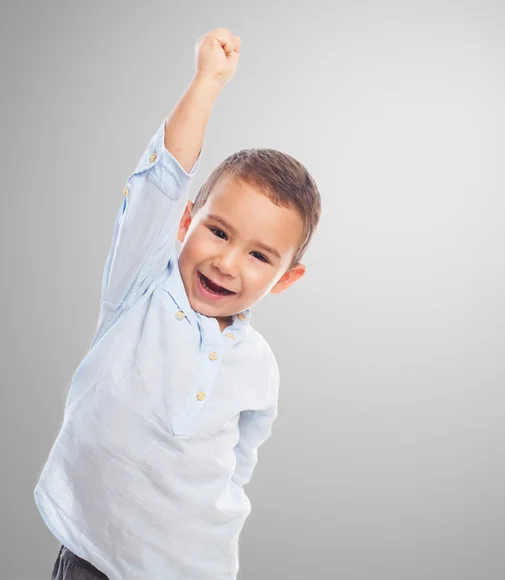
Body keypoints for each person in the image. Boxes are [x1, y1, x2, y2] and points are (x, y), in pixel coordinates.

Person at [34, 27, 322, 580]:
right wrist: (208, 81)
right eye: (218, 232)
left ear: (287, 279)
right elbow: (160, 181)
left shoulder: (258, 365)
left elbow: (238, 465)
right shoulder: (144, 285)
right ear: (186, 221)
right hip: (96, 554)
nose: (228, 263)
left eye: (260, 256)